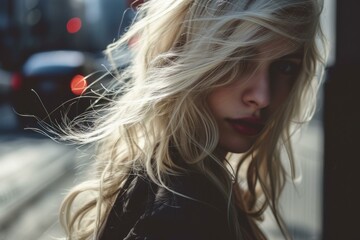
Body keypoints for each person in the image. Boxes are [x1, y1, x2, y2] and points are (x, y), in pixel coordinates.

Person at [57, 0, 327, 239]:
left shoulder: (175, 183)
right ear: (183, 53)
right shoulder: (182, 216)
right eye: (239, 57)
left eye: (285, 67)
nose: (262, 96)